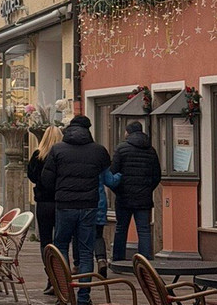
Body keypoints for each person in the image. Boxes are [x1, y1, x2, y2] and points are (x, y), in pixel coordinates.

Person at [41, 115, 110, 305]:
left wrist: (61, 188)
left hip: (65, 206)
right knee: (86, 252)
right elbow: (106, 173)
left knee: (61, 247)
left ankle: (64, 293)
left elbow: (46, 180)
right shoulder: (99, 151)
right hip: (89, 206)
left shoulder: (57, 150)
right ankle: (83, 298)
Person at [110, 121, 161, 261]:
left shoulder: (121, 148)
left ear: (128, 132)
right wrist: (147, 189)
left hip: (124, 197)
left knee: (121, 228)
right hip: (143, 197)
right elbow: (157, 175)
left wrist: (118, 190)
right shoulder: (151, 150)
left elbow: (113, 173)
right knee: (144, 230)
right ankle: (145, 261)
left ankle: (118, 259)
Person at [27, 125, 62, 278]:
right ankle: (61, 272)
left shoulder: (37, 155)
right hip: (61, 202)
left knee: (46, 239)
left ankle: (50, 273)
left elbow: (32, 176)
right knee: (61, 240)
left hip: (43, 202)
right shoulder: (62, 155)